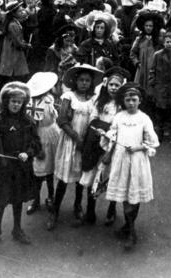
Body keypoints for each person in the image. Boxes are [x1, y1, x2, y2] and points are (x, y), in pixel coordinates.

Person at [0, 82, 42, 250]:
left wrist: (27, 153)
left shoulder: (28, 122)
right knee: (0, 200)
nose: (16, 105)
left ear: (23, 104)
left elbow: (36, 143)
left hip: (20, 169)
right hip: (2, 168)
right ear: (6, 101)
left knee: (17, 199)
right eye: (13, 101)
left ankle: (17, 229)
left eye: (19, 102)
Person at [102, 83, 159, 250]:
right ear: (123, 101)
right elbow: (113, 132)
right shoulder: (119, 116)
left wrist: (138, 147)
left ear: (139, 101)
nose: (131, 103)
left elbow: (153, 142)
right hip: (121, 159)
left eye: (134, 100)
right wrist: (108, 135)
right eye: (128, 100)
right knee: (124, 192)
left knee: (133, 194)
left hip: (136, 159)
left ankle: (132, 231)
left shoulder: (144, 118)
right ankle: (128, 226)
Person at [47, 64, 102, 230]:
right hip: (70, 141)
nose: (84, 83)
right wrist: (76, 137)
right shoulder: (68, 96)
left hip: (86, 143)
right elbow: (62, 120)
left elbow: (95, 120)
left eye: (87, 80)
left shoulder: (94, 99)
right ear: (75, 81)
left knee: (80, 178)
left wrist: (87, 140)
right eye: (81, 80)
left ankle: (77, 206)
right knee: (64, 178)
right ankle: (55, 211)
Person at [79, 67, 129, 226]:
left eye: (117, 85)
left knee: (111, 176)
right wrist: (99, 129)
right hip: (96, 141)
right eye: (111, 85)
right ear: (106, 85)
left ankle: (111, 209)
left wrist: (110, 134)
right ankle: (90, 211)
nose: (114, 88)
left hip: (113, 144)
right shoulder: (99, 101)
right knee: (93, 175)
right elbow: (93, 119)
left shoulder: (123, 106)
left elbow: (121, 127)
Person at [26, 72, 60, 215]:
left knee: (50, 170)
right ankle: (36, 199)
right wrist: (37, 146)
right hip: (40, 137)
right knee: (38, 171)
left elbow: (54, 116)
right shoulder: (32, 105)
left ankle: (51, 197)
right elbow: (33, 126)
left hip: (53, 134)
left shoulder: (49, 99)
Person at [148, 31, 171, 142]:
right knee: (159, 112)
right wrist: (153, 85)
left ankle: (170, 133)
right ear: (164, 43)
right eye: (167, 42)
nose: (169, 44)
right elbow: (152, 71)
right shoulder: (157, 55)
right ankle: (158, 133)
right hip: (160, 89)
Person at [0, 0, 31, 85]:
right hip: (13, 51)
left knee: (15, 72)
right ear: (14, 14)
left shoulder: (16, 22)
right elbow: (17, 42)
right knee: (15, 71)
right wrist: (26, 45)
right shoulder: (13, 25)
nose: (22, 12)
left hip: (13, 50)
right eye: (20, 11)